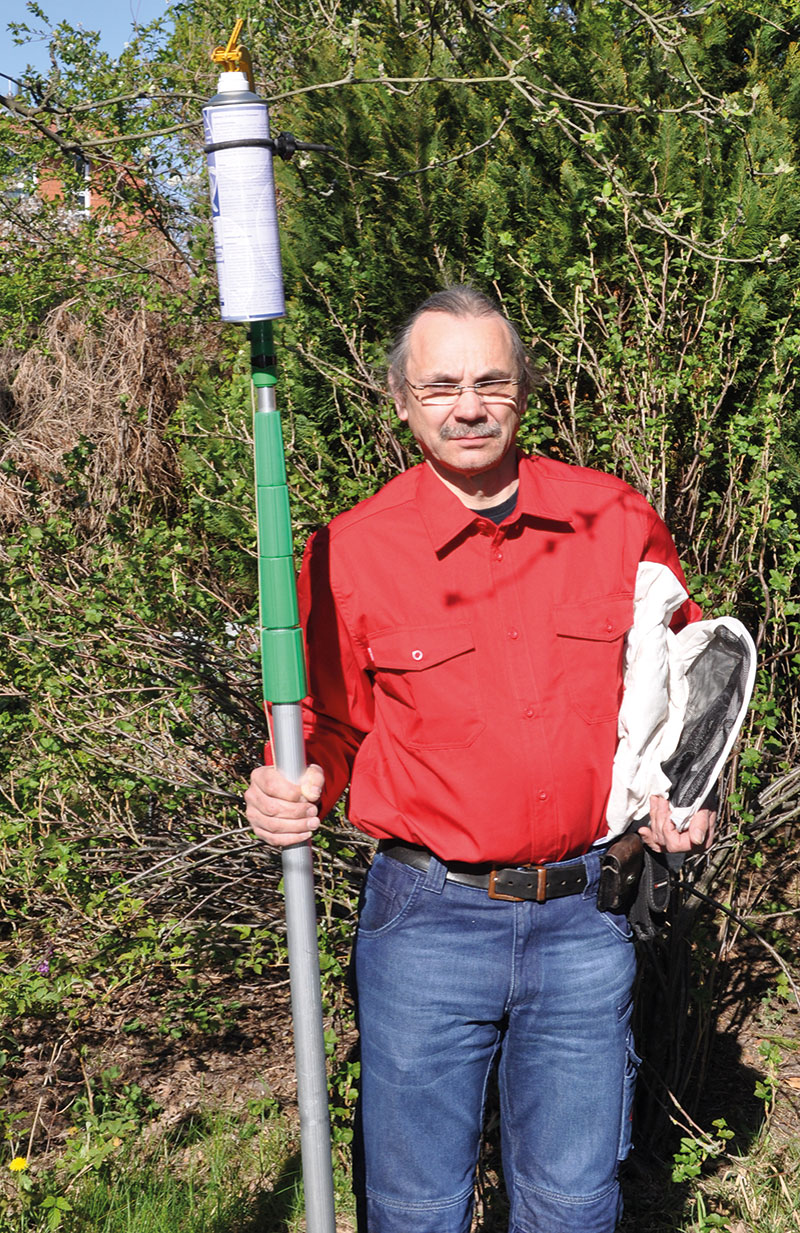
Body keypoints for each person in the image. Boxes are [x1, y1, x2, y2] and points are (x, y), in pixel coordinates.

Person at [245, 285, 716, 1233]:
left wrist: (683, 791)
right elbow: (328, 727)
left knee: (574, 1204)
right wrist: (292, 785)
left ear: (522, 388)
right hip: (426, 924)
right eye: (442, 386)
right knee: (415, 1208)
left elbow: (688, 678)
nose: (468, 406)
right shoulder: (350, 551)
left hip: (586, 918)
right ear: (402, 400)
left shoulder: (615, 520)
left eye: (490, 382)